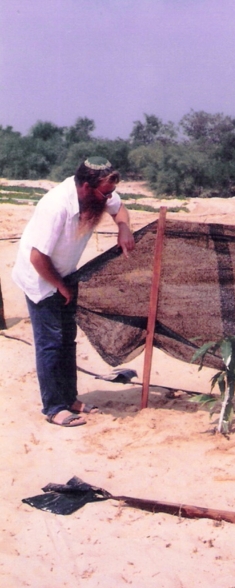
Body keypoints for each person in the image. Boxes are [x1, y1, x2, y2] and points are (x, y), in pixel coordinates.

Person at [12, 157, 135, 427]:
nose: (109, 198)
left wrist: (124, 228)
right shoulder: (56, 206)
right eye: (106, 193)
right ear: (86, 187)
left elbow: (120, 209)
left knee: (68, 339)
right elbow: (37, 257)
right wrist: (60, 285)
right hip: (41, 278)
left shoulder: (100, 194)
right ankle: (54, 407)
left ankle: (70, 398)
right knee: (51, 343)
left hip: (64, 273)